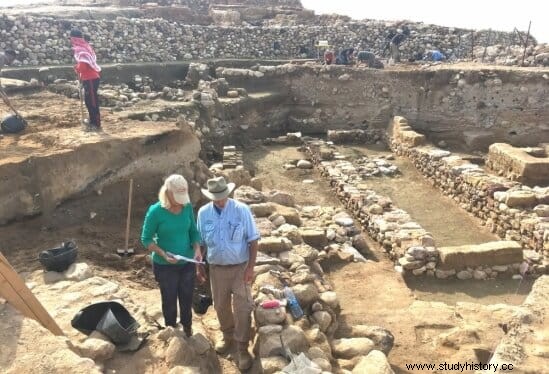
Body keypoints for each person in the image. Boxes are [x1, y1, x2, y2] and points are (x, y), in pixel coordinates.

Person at [196, 176, 260, 371]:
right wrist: (199, 265)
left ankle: (242, 347)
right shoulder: (203, 213)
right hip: (216, 269)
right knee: (220, 305)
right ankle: (227, 335)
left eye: (222, 196)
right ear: (211, 197)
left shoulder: (242, 211)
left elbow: (253, 240)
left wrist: (250, 268)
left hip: (240, 267)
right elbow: (200, 243)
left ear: (228, 193)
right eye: (216, 197)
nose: (220, 200)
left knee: (242, 308)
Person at [141, 174, 203, 336]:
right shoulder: (156, 212)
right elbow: (146, 239)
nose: (181, 202)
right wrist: (162, 253)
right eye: (177, 197)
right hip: (165, 265)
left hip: (187, 262)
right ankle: (171, 331)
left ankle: (187, 328)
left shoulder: (187, 207)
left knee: (186, 297)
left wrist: (196, 249)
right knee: (169, 300)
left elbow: (193, 232)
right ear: (167, 193)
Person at [70, 29, 102, 131]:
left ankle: (96, 123)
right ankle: (93, 120)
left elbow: (83, 66)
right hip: (90, 78)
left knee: (92, 102)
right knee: (89, 101)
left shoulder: (81, 49)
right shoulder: (85, 47)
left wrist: (77, 68)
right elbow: (83, 63)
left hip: (91, 79)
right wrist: (78, 66)